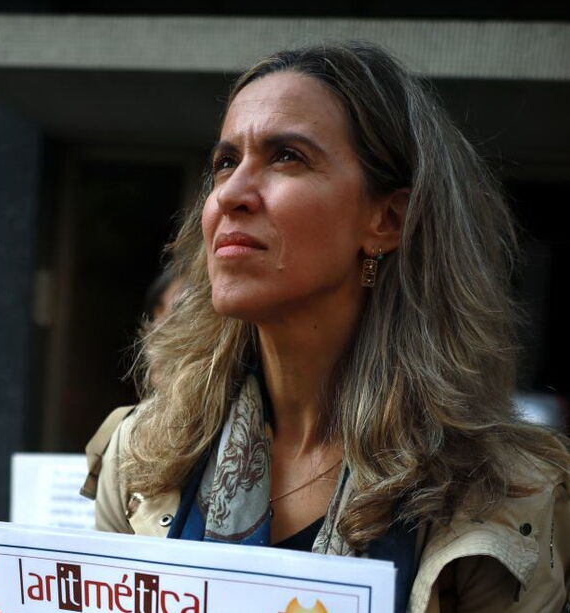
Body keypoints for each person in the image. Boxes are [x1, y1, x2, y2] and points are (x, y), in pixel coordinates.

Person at [83, 42, 570, 612]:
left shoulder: (503, 488)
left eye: (286, 156)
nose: (231, 195)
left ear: (386, 219)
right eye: (224, 162)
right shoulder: (143, 453)